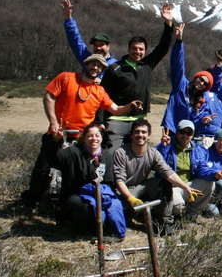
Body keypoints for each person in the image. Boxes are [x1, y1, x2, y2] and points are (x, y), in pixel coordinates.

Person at [20, 54, 143, 209]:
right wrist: (53, 122)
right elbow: (49, 97)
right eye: (93, 64)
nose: (95, 68)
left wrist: (130, 106)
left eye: (99, 67)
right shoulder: (66, 78)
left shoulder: (99, 90)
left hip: (81, 141)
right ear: (86, 64)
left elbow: (115, 109)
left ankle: (69, 206)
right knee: (42, 171)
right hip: (58, 135)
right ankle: (31, 203)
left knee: (76, 175)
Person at [99, 3, 175, 150]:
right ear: (128, 49)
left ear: (145, 51)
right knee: (112, 154)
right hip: (115, 120)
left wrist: (168, 24)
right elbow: (102, 96)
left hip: (138, 121)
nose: (137, 51)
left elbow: (163, 47)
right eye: (134, 48)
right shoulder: (115, 68)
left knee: (135, 157)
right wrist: (100, 121)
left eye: (141, 49)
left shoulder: (147, 65)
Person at [112, 119, 201, 236]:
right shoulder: (120, 152)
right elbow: (119, 180)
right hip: (124, 191)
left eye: (144, 132)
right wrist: (130, 198)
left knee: (164, 183)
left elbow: (168, 172)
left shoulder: (152, 153)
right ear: (132, 135)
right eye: (137, 132)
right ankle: (132, 213)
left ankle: (163, 223)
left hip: (143, 187)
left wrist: (185, 187)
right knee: (119, 216)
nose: (140, 135)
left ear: (149, 136)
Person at [46, 124, 126, 242]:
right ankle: (78, 231)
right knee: (85, 206)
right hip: (74, 195)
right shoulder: (73, 152)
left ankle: (110, 231)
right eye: (90, 136)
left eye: (97, 135)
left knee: (114, 204)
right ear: (84, 138)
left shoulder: (106, 156)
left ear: (101, 138)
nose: (94, 139)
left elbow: (109, 181)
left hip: (98, 194)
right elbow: (54, 160)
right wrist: (55, 141)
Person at [161, 23, 222, 147]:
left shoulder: (201, 102)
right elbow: (178, 64)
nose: (201, 83)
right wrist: (179, 41)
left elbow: (194, 123)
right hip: (172, 129)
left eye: (205, 84)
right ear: (196, 77)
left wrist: (202, 121)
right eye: (201, 79)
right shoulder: (181, 85)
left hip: (186, 135)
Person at [156, 120, 214, 222]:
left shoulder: (196, 149)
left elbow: (202, 168)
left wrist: (214, 174)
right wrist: (164, 147)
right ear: (177, 132)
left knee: (210, 183)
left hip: (188, 185)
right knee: (177, 206)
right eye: (182, 132)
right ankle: (176, 214)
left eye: (189, 133)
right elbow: (158, 165)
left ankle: (191, 215)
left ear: (192, 135)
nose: (185, 136)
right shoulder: (167, 145)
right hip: (171, 187)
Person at [61, 0, 118, 69]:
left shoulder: (117, 66)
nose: (98, 48)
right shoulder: (87, 60)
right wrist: (68, 18)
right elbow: (75, 41)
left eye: (101, 45)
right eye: (95, 45)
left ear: (108, 46)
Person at [199, 128, 222, 216]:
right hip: (202, 189)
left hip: (215, 195)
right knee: (221, 184)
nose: (221, 143)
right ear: (214, 141)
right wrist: (215, 174)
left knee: (215, 212)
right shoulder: (206, 152)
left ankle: (216, 204)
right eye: (219, 140)